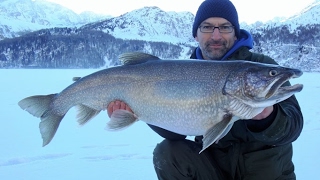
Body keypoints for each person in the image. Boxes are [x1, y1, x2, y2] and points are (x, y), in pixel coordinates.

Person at [107, 0, 303, 179]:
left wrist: (268, 119)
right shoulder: (181, 72)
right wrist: (137, 110)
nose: (216, 35)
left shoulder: (260, 65)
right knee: (167, 153)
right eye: (207, 27)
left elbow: (294, 126)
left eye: (225, 27)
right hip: (212, 170)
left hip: (265, 173)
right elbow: (176, 133)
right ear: (196, 34)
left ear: (235, 33)